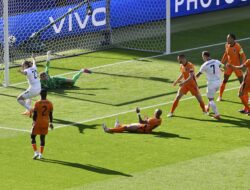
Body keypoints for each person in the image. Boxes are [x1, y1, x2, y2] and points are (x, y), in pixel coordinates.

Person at [217, 34, 246, 101]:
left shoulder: (238, 46)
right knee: (224, 80)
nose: (227, 40)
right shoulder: (226, 45)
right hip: (229, 66)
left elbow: (243, 56)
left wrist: (242, 65)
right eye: (227, 38)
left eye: (229, 38)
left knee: (242, 82)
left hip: (237, 66)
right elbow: (226, 54)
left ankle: (247, 97)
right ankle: (220, 96)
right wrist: (221, 64)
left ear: (233, 39)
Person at [196, 51, 222, 119]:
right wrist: (220, 70)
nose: (202, 58)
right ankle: (207, 107)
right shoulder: (216, 61)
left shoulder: (204, 65)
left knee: (210, 99)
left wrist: (192, 79)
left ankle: (217, 114)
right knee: (211, 96)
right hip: (219, 82)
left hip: (211, 84)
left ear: (205, 56)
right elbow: (223, 67)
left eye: (202, 57)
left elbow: (198, 75)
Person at [31, 89, 53, 159]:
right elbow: (50, 114)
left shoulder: (37, 103)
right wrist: (51, 122)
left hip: (38, 122)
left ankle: (35, 153)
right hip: (45, 123)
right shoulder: (50, 103)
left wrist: (34, 121)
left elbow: (35, 113)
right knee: (42, 138)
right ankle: (40, 154)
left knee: (32, 136)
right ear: (46, 94)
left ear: (40, 94)